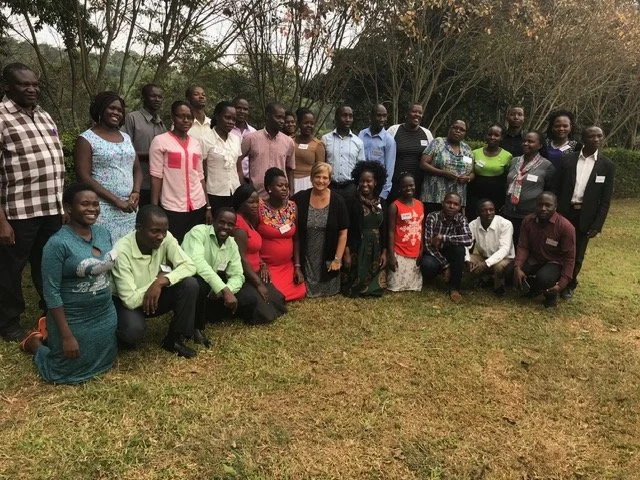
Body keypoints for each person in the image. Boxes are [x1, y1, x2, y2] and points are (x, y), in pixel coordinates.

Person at [20, 184, 117, 384]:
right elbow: (51, 292)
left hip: (104, 313)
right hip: (73, 318)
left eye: (96, 204)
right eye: (85, 204)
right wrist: (66, 336)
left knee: (105, 362)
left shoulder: (103, 233)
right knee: (63, 372)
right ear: (68, 208)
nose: (92, 209)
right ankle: (35, 344)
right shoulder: (57, 243)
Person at [0, 63, 65, 342]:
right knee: (10, 270)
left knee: (47, 264)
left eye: (35, 84)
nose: (32, 89)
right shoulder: (2, 118)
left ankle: (49, 311)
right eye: (24, 84)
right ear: (7, 87)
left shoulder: (43, 115)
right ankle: (8, 323)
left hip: (51, 208)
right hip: (19, 211)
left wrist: (62, 206)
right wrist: (1, 221)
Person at [112, 205, 199, 358]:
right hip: (126, 303)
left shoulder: (166, 238)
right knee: (133, 333)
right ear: (138, 228)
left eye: (164, 231)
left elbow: (189, 265)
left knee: (190, 284)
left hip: (154, 294)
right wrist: (154, 283)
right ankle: (120, 334)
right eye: (155, 231)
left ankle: (174, 340)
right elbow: (130, 300)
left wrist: (161, 281)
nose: (161, 236)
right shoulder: (121, 250)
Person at [183, 208, 279, 346]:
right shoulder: (198, 232)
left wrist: (227, 289)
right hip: (190, 279)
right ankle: (195, 328)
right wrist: (222, 289)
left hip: (213, 285)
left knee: (249, 298)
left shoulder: (231, 244)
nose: (225, 227)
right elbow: (198, 263)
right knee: (199, 284)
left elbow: (238, 275)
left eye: (230, 224)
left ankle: (211, 313)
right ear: (213, 221)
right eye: (221, 222)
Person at [75, 91, 142, 244]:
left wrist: (136, 191)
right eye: (111, 108)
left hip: (128, 208)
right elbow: (83, 177)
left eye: (119, 110)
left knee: (126, 250)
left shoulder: (126, 138)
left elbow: (137, 169)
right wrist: (116, 201)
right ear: (100, 109)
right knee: (104, 250)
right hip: (101, 208)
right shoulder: (86, 139)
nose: (116, 112)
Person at [556, 126, 615, 299]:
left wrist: (597, 225)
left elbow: (605, 200)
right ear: (583, 139)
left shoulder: (607, 165)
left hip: (585, 217)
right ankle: (555, 280)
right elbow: (556, 187)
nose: (596, 139)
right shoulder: (568, 160)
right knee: (559, 249)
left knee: (578, 254)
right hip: (565, 212)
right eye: (591, 136)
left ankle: (569, 284)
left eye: (599, 136)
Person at [149, 100, 211, 243]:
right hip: (173, 207)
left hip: (198, 205)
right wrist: (154, 209)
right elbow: (156, 177)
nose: (186, 120)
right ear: (173, 117)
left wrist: (208, 206)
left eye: (189, 117)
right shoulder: (160, 141)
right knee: (174, 245)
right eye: (181, 116)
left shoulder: (195, 143)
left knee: (195, 245)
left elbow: (200, 176)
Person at [231, 184, 287, 323]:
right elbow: (241, 258)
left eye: (257, 202)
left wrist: (262, 263)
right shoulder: (239, 226)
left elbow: (254, 250)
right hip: (244, 276)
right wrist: (258, 284)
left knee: (279, 302)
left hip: (256, 271)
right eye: (251, 202)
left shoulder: (250, 220)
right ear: (240, 203)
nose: (255, 205)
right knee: (265, 315)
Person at [292, 162, 349, 298]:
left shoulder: (338, 201)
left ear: (329, 180)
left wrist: (337, 259)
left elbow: (343, 233)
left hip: (328, 254)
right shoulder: (300, 198)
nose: (321, 181)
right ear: (311, 178)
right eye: (317, 176)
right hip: (307, 254)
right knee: (302, 289)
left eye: (325, 177)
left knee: (329, 287)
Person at [513, 192, 576, 308]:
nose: (543, 208)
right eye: (540, 205)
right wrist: (517, 267)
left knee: (544, 277)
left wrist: (562, 284)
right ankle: (534, 289)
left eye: (548, 205)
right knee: (510, 270)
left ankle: (551, 296)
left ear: (555, 206)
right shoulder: (528, 221)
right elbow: (523, 246)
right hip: (534, 259)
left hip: (554, 262)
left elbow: (569, 258)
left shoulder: (566, 227)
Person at [257, 168, 307, 301]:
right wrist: (261, 263)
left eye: (286, 186)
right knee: (274, 295)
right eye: (280, 186)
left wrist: (297, 267)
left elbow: (296, 239)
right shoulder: (259, 209)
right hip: (267, 266)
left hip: (287, 266)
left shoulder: (292, 207)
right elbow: (253, 239)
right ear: (269, 188)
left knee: (300, 292)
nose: (284, 189)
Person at [342, 161, 388, 297]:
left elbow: (385, 229)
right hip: (357, 245)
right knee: (352, 286)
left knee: (376, 288)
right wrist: (347, 253)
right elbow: (346, 229)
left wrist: (384, 252)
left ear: (376, 182)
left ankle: (372, 287)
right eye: (362, 181)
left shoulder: (382, 203)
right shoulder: (351, 202)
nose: (365, 184)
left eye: (369, 181)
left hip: (376, 246)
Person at [503, 131, 555, 246]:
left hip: (530, 215)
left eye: (530, 141)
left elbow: (549, 192)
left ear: (540, 145)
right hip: (509, 213)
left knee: (524, 246)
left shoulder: (547, 166)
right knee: (507, 246)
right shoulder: (514, 161)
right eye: (524, 141)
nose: (526, 144)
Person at [420, 192, 473, 302]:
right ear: (442, 203)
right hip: (434, 253)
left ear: (460, 207)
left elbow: (468, 239)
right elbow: (427, 245)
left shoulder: (461, 218)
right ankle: (433, 277)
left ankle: (454, 288)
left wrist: (444, 238)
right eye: (449, 202)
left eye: (456, 204)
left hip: (450, 252)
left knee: (459, 250)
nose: (452, 206)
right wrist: (446, 265)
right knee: (427, 265)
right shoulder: (432, 217)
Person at [238, 102, 296, 198]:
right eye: (278, 117)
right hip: (257, 196)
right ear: (267, 116)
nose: (282, 121)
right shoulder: (252, 139)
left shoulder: (288, 142)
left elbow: (290, 169)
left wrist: (291, 191)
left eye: (283, 118)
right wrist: (243, 184)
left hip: (280, 197)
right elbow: (237, 160)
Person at [122, 83, 166, 206]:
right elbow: (122, 149)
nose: (157, 99)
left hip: (157, 184)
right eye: (153, 96)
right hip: (137, 184)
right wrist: (151, 155)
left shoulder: (161, 124)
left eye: (160, 97)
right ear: (144, 97)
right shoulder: (132, 118)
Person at [420, 120, 474, 213]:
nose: (458, 131)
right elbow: (423, 164)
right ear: (450, 129)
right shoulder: (437, 143)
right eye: (455, 128)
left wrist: (468, 178)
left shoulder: (467, 149)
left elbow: (472, 172)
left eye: (462, 130)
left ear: (465, 133)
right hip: (434, 196)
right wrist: (443, 173)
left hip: (456, 199)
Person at [465, 199, 515, 296]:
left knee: (499, 266)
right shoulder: (473, 224)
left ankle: (499, 287)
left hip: (505, 259)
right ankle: (484, 279)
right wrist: (467, 260)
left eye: (491, 210)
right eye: (484, 210)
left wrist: (486, 264)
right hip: (484, 257)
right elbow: (466, 245)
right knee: (468, 258)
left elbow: (504, 249)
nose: (488, 213)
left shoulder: (505, 224)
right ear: (478, 212)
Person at [386, 103, 433, 200]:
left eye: (420, 113)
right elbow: (385, 153)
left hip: (418, 185)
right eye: (414, 111)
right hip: (396, 184)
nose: (417, 114)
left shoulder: (427, 134)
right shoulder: (394, 130)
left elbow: (432, 158)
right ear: (407, 113)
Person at [387, 172, 424, 292]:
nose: (409, 188)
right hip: (399, 250)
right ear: (399, 188)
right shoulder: (394, 206)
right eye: (405, 186)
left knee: (414, 286)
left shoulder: (420, 204)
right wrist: (391, 255)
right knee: (395, 286)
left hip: (415, 249)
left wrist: (422, 248)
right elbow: (391, 232)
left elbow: (421, 227)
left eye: (411, 185)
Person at [202, 101, 241, 211]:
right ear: (217, 116)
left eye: (234, 119)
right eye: (227, 118)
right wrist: (207, 204)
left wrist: (241, 192)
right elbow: (202, 173)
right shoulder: (205, 139)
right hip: (214, 194)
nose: (231, 122)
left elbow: (238, 169)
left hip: (235, 192)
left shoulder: (236, 139)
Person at [467, 124, 512, 220]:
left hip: (496, 195)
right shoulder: (474, 153)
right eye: (490, 134)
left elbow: (507, 176)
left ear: (502, 137)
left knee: (494, 221)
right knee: (474, 219)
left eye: (496, 135)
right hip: (475, 194)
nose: (492, 137)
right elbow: (470, 171)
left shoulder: (507, 156)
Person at [321, 105, 365, 199]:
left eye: (350, 116)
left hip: (350, 189)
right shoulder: (325, 139)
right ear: (336, 118)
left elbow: (361, 168)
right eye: (344, 116)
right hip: (330, 187)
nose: (348, 119)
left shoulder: (358, 142)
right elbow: (321, 164)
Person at [358, 104, 396, 200]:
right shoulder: (362, 134)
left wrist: (383, 194)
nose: (382, 119)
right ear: (371, 116)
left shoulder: (389, 140)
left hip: (378, 189)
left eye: (384, 116)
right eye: (379, 115)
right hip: (362, 186)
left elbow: (389, 169)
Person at [292, 107, 325, 192]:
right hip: (290, 182)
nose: (309, 126)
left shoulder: (318, 145)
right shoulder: (290, 141)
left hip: (309, 183)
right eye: (306, 123)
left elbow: (320, 170)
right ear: (299, 124)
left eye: (312, 123)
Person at [231, 97, 257, 183]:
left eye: (245, 109)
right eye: (238, 108)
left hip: (250, 180)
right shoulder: (227, 131)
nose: (242, 111)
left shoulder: (253, 132)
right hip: (231, 178)